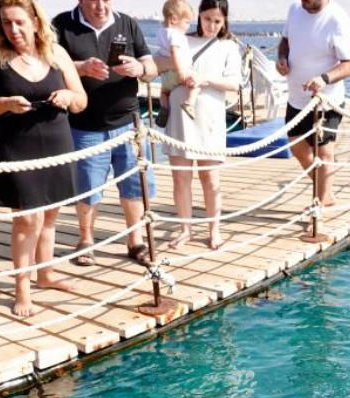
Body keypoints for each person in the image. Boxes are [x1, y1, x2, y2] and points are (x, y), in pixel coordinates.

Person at [0, 0, 86, 317]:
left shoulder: (57, 54)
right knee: (25, 220)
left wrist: (68, 96)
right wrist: (5, 103)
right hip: (17, 147)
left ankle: (46, 273)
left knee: (50, 215)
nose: (13, 29)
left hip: (56, 144)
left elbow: (81, 101)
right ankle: (22, 290)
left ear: (36, 22)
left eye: (19, 22)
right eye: (7, 23)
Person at [52, 0, 159, 267]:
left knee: (134, 186)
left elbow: (151, 66)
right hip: (84, 125)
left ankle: (135, 242)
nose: (101, 6)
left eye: (106, 0)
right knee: (88, 187)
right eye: (93, 0)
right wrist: (81, 67)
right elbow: (49, 65)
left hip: (129, 124)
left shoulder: (128, 23)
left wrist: (141, 69)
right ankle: (86, 240)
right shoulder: (62, 25)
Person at [164, 0, 239, 251]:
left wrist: (205, 78)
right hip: (180, 113)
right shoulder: (182, 38)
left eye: (218, 21)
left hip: (210, 116)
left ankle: (214, 228)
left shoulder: (228, 46)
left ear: (225, 21)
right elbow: (168, 69)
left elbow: (234, 83)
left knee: (210, 177)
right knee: (180, 177)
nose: (212, 25)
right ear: (199, 16)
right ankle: (185, 229)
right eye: (208, 19)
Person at [276, 0, 350, 209]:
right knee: (298, 148)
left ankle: (319, 208)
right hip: (296, 99)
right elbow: (285, 41)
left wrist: (324, 78)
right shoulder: (294, 9)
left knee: (324, 153)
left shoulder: (338, 19)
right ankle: (325, 192)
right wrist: (282, 58)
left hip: (326, 101)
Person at [154, 0, 196, 121]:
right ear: (174, 19)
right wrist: (181, 70)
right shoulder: (176, 34)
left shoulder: (162, 32)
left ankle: (164, 108)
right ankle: (189, 103)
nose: (188, 26)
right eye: (187, 22)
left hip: (166, 74)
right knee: (197, 83)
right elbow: (174, 52)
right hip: (178, 72)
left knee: (164, 93)